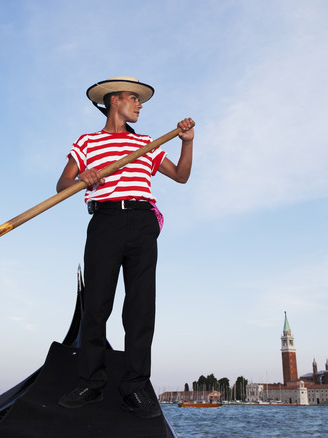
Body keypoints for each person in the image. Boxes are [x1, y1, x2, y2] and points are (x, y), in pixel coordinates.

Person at [56, 77, 194, 419]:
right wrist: (84, 177)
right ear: (114, 100)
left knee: (141, 307)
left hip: (142, 221)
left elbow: (180, 175)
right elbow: (62, 184)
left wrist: (187, 143)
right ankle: (90, 383)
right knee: (97, 305)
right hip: (104, 222)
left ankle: (134, 388)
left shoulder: (148, 143)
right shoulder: (87, 142)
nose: (140, 105)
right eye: (134, 99)